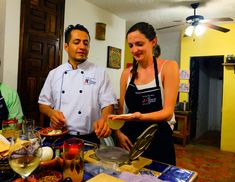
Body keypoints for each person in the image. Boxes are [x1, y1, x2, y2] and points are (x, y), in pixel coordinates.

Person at [109, 22, 179, 165]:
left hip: (159, 139)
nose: (134, 50)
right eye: (131, 45)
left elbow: (168, 112)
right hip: (130, 141)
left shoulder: (168, 67)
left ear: (153, 41)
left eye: (139, 44)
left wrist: (140, 117)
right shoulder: (126, 74)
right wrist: (118, 133)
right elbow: (123, 111)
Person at [38, 24, 117, 143]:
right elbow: (43, 104)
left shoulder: (100, 73)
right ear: (66, 46)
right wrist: (52, 113)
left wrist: (104, 119)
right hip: (59, 136)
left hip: (90, 138)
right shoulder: (54, 73)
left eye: (86, 43)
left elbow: (108, 103)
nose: (82, 46)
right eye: (77, 42)